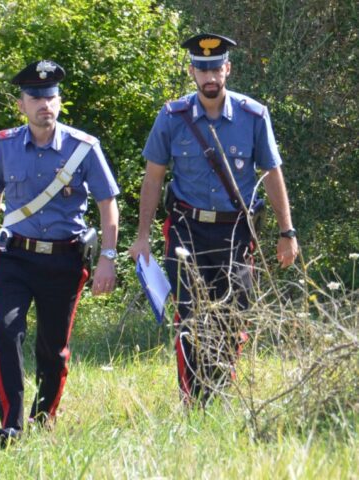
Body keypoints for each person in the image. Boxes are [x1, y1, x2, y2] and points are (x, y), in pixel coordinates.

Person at [129, 34, 299, 405]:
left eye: (216, 67)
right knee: (189, 315)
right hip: (186, 230)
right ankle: (195, 399)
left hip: (234, 232)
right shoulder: (172, 117)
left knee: (233, 315)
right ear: (192, 71)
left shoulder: (254, 116)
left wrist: (287, 231)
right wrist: (142, 236)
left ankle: (219, 388)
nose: (209, 76)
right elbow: (153, 177)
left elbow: (272, 174)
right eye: (202, 68)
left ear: (228, 69)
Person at [0, 60, 120, 447]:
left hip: (63, 260)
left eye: (50, 96)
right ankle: (12, 425)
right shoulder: (4, 146)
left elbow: (108, 202)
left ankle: (43, 415)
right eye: (35, 97)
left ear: (59, 101)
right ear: (21, 104)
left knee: (53, 349)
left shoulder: (83, 148)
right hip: (14, 258)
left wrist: (108, 256)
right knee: (6, 332)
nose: (44, 104)